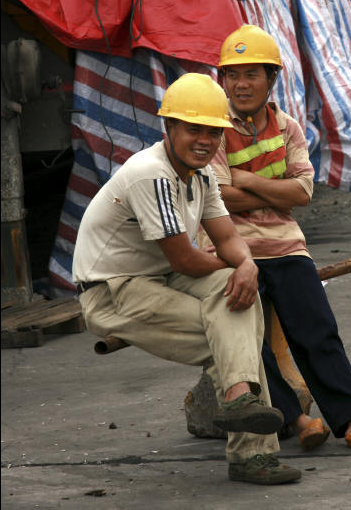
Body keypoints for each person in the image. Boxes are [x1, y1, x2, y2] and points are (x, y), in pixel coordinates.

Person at [72, 72, 302, 485]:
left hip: (159, 278)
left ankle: (238, 407)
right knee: (235, 333)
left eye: (213, 133)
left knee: (239, 307)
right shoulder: (152, 174)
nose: (205, 141)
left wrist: (246, 267)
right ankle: (251, 452)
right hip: (113, 291)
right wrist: (238, 272)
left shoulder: (203, 176)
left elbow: (227, 237)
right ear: (169, 128)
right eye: (193, 130)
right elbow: (185, 259)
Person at [197, 25, 351, 452]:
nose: (240, 84)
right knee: (246, 342)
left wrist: (245, 178)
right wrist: (272, 189)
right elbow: (216, 198)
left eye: (251, 74)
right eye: (232, 75)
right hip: (229, 249)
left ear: (271, 79)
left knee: (318, 329)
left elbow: (303, 192)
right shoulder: (212, 127)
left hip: (286, 244)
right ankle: (298, 418)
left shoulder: (288, 127)